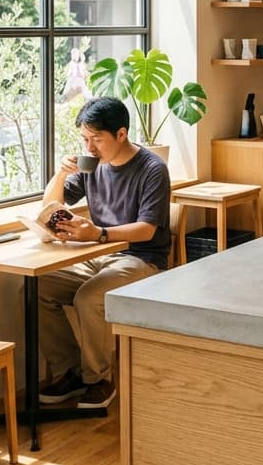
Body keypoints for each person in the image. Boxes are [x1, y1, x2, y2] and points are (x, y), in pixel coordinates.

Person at [38, 96, 171, 409]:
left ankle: (99, 379)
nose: (89, 148)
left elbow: (146, 229)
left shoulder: (152, 168)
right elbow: (49, 206)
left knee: (89, 298)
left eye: (96, 139)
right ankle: (68, 371)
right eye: (85, 139)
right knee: (36, 289)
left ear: (121, 135)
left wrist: (96, 234)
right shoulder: (91, 165)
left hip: (142, 259)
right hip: (98, 256)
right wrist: (60, 175)